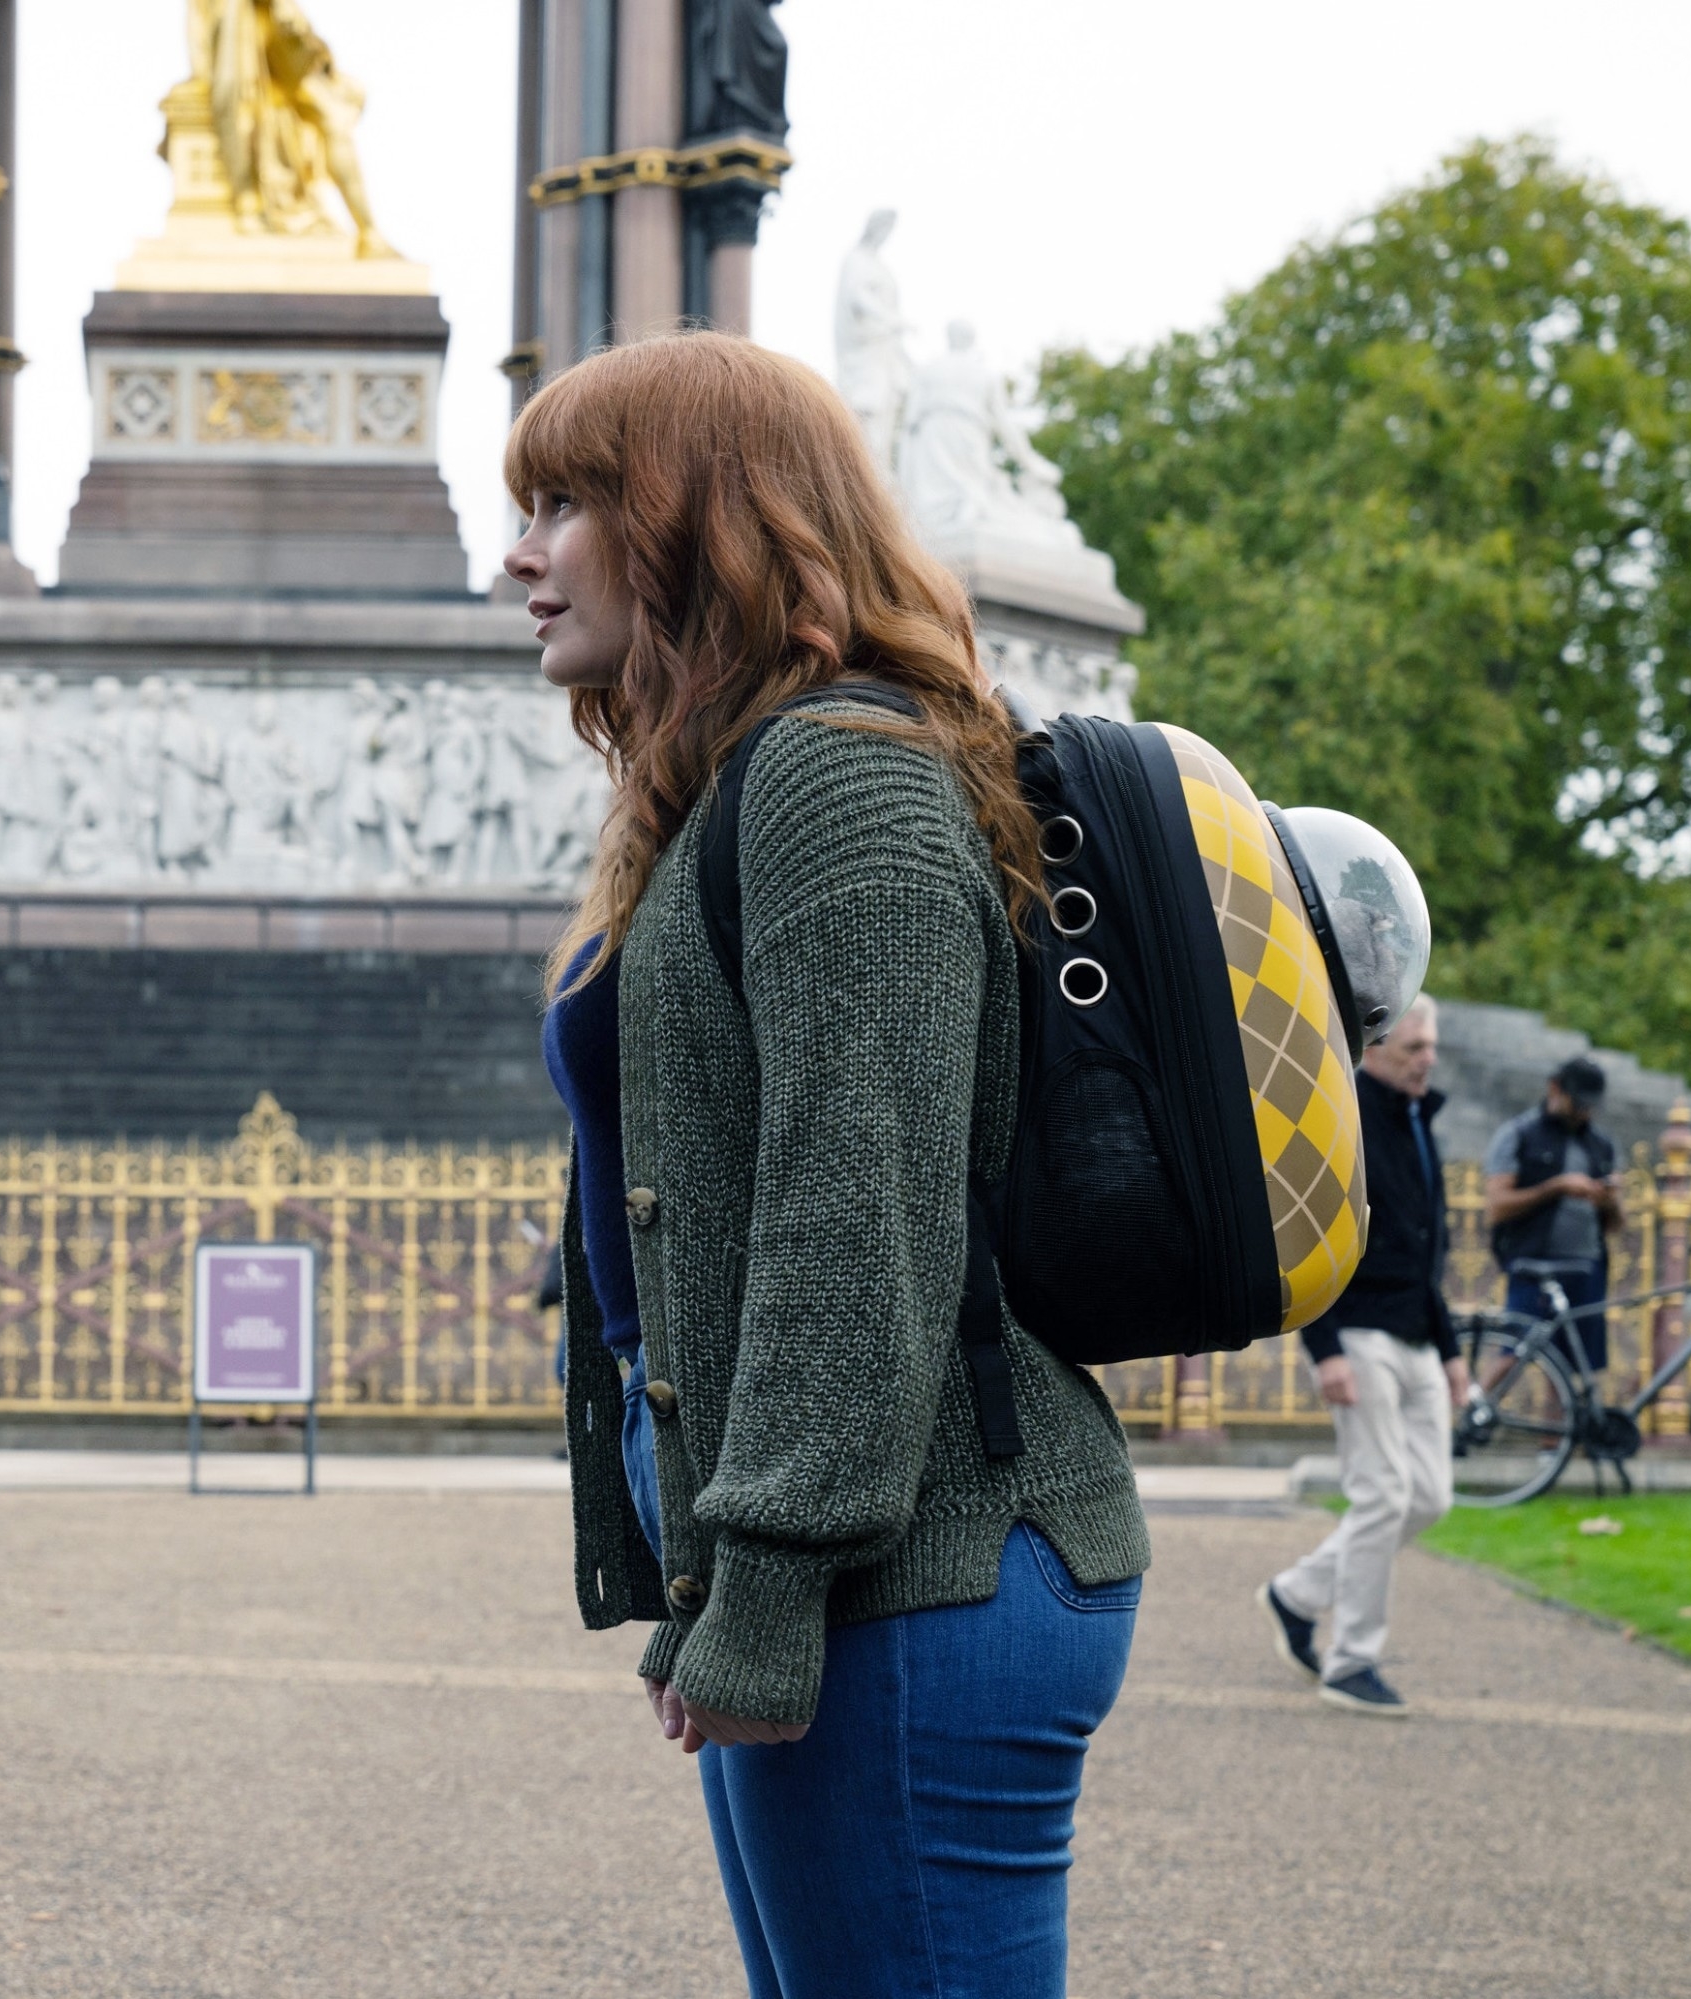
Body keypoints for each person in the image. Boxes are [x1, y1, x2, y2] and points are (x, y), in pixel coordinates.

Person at [510, 332, 1147, 1999]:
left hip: (916, 1571)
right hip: (866, 1565)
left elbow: (853, 1207)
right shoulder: (733, 782)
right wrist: (714, 1572)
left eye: (570, 502)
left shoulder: (835, 778)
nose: (519, 551)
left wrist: (772, 1576)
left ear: (700, 521)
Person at [1258, 996, 1466, 1718]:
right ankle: (1352, 1660)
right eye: (1412, 1046)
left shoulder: (1417, 1120)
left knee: (1430, 1495)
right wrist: (1325, 1349)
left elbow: (1426, 1248)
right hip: (1359, 1336)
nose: (1425, 1058)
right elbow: (1307, 1234)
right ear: (1374, 1047)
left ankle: (1299, 1593)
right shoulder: (1342, 1116)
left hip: (1414, 1333)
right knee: (1382, 1494)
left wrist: (1452, 1349)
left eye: (1430, 1045)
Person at [1482, 1054, 1621, 1369]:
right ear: (1555, 1089)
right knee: (1514, 1354)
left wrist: (1608, 1198)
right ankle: (1476, 1412)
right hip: (1534, 1266)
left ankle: (1562, 1419)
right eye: (1577, 1103)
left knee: (1575, 1370)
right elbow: (1496, 1208)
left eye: (1590, 1105)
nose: (1583, 1112)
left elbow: (1615, 1224)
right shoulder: (1519, 1134)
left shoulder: (1602, 1145)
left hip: (1587, 1268)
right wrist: (1556, 1187)